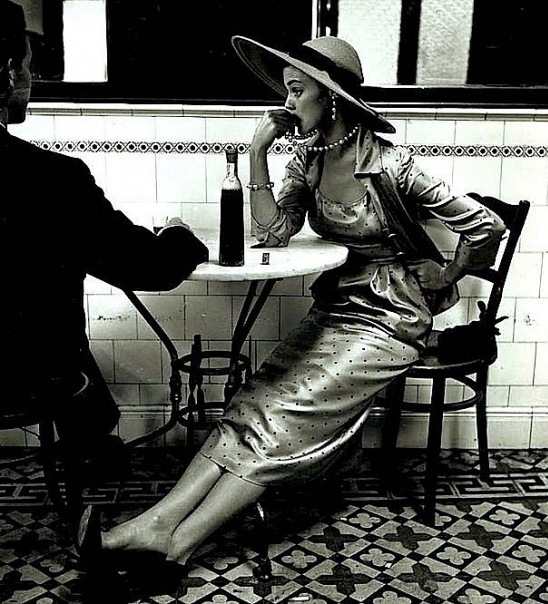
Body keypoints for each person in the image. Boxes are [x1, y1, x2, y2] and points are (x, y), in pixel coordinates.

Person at [78, 33, 506, 582]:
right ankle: (153, 525)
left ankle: (177, 544)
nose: (287, 103)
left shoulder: (392, 164)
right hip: (338, 308)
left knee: (280, 414)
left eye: (297, 90)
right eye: (286, 90)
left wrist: (446, 275)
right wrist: (258, 154)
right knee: (253, 401)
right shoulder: (308, 157)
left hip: (391, 318)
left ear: (332, 98)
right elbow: (272, 231)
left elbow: (486, 225)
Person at [0, 1, 209, 473]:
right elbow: (150, 267)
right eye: (28, 67)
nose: (30, 80)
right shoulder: (51, 179)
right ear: (10, 72)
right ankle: (93, 440)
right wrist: (180, 235)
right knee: (52, 341)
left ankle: (94, 437)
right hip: (27, 379)